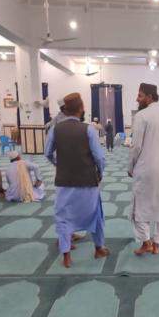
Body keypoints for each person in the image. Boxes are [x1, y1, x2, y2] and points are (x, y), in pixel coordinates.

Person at [45, 92, 109, 268]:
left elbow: (47, 153)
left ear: (65, 110)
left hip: (64, 183)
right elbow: (100, 158)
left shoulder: (55, 129)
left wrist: (59, 164)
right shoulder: (88, 129)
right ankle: (98, 249)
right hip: (88, 182)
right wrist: (99, 172)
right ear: (81, 109)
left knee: (63, 217)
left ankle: (66, 256)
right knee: (96, 215)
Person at [128, 83, 159, 256]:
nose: (137, 99)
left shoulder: (142, 115)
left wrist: (130, 166)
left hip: (145, 168)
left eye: (140, 95)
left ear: (149, 96)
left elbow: (136, 146)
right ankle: (157, 244)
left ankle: (146, 242)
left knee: (140, 207)